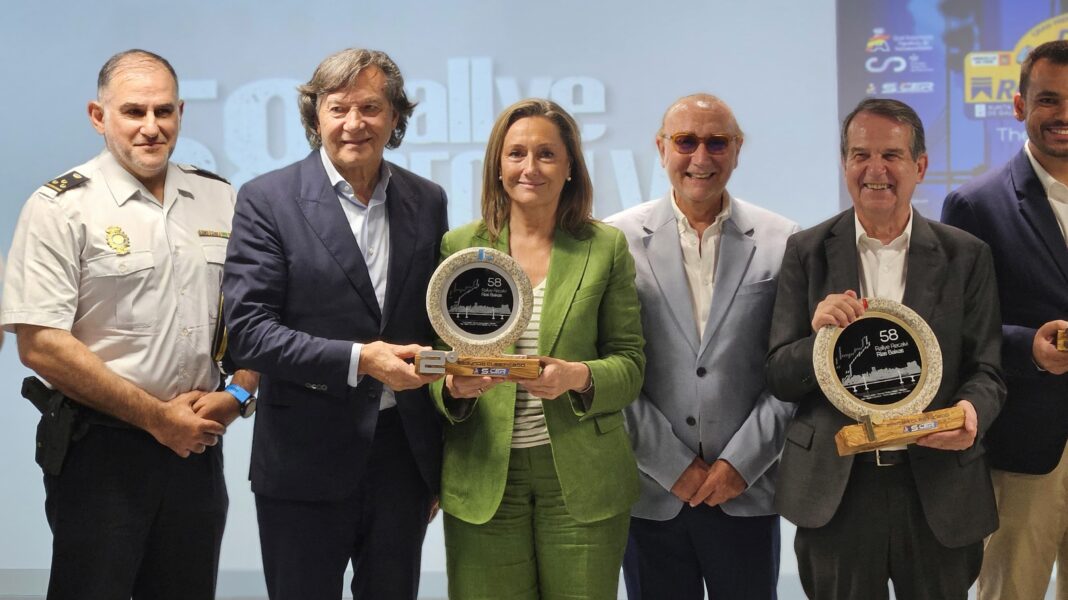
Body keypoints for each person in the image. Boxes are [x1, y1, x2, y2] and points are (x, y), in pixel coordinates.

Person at [1, 49, 258, 600]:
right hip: (100, 450)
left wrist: (239, 393)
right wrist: (157, 419)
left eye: (163, 111)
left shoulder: (220, 198)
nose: (151, 126)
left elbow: (253, 316)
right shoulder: (59, 207)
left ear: (181, 113)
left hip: (196, 449)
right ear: (99, 116)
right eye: (133, 112)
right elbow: (40, 344)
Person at [222, 48, 447, 600]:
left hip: (403, 459)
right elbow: (249, 331)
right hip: (304, 458)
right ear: (315, 115)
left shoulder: (427, 200)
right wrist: (360, 359)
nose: (354, 123)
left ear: (394, 117)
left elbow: (433, 323)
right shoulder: (266, 200)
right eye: (338, 108)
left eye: (370, 107)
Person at [766, 97, 1006, 599]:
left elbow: (987, 370)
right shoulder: (806, 252)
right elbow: (779, 375)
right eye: (861, 155)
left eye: (891, 155)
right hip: (839, 490)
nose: (875, 170)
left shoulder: (966, 255)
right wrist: (819, 343)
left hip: (937, 486)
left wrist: (969, 414)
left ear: (920, 166)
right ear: (844, 164)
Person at [430, 98, 645, 600]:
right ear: (497, 165)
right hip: (484, 476)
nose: (530, 167)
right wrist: (453, 386)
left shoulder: (605, 247)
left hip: (581, 479)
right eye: (516, 153)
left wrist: (576, 376)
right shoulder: (459, 247)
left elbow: (630, 364)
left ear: (570, 168)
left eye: (547, 154)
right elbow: (440, 359)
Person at [605, 93, 798, 600]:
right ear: (661, 148)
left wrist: (741, 463)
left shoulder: (784, 240)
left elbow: (792, 371)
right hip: (651, 492)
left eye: (717, 143)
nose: (701, 157)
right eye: (685, 141)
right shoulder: (612, 240)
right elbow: (610, 367)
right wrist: (670, 464)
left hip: (746, 491)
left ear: (737, 149)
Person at [941, 39, 1068, 600]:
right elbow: (954, 327)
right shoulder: (975, 205)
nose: (1063, 114)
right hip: (1026, 450)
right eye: (1048, 99)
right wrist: (1028, 348)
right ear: (1019, 106)